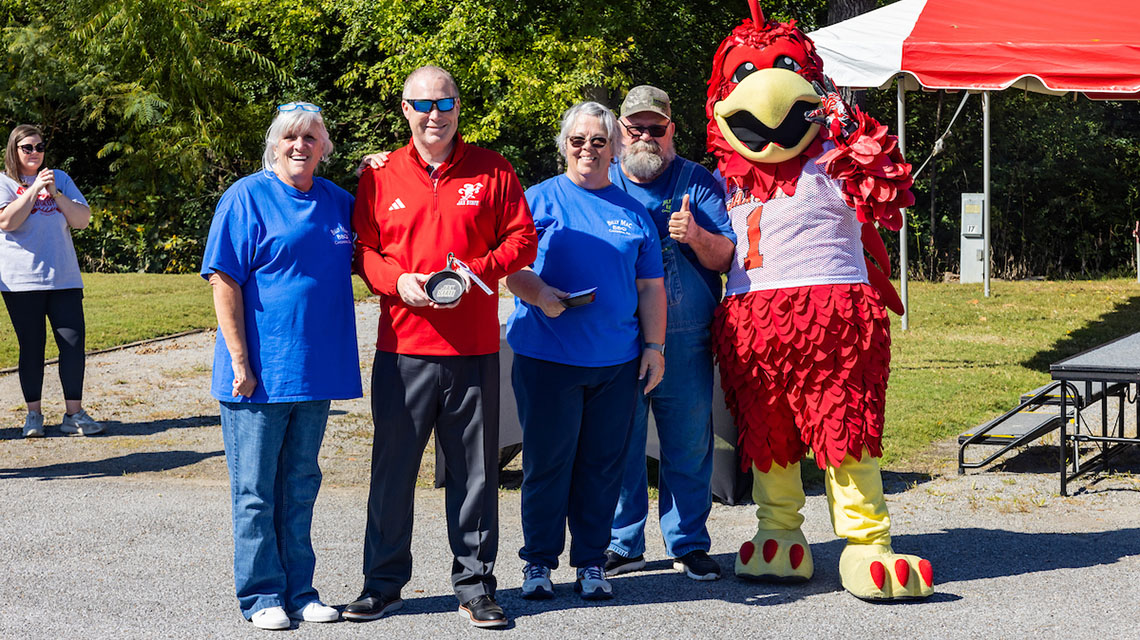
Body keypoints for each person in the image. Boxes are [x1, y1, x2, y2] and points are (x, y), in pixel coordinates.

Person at [346, 65, 536, 629]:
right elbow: (363, 249)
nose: (435, 114)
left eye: (445, 103)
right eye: (423, 104)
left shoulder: (492, 168)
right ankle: (382, 585)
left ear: (458, 107)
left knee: (475, 474)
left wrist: (476, 272)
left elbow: (522, 238)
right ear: (405, 109)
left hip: (474, 349)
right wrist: (394, 281)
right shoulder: (379, 176)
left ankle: (475, 586)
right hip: (403, 349)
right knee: (393, 471)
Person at [200, 102, 362, 630]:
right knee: (254, 492)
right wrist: (241, 360)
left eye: (311, 138)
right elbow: (223, 280)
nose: (300, 145)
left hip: (315, 373)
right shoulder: (246, 197)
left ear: (325, 148)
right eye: (290, 137)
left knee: (300, 484)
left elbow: (387, 235)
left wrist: (381, 168)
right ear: (274, 144)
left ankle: (301, 590)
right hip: (259, 375)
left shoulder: (339, 202)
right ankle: (260, 595)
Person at [505, 100, 667, 601]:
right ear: (564, 147)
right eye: (578, 141)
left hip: (615, 364)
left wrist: (654, 347)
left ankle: (591, 563)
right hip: (546, 358)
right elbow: (509, 267)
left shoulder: (635, 212)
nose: (589, 150)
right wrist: (539, 295)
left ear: (616, 148)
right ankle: (537, 564)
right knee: (547, 464)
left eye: (599, 141)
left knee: (602, 466)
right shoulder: (537, 200)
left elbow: (650, 289)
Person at [604, 86, 736, 580]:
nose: (645, 136)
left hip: (686, 338)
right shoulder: (602, 180)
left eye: (655, 128)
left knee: (688, 443)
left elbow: (727, 257)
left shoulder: (698, 181)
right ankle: (623, 542)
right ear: (620, 130)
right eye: (635, 127)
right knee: (621, 441)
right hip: (619, 335)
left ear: (671, 131)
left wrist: (696, 235)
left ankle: (688, 542)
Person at [0, 124, 101, 438]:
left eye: (40, 147)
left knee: (72, 345)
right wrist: (33, 190)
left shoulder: (60, 179)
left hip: (64, 278)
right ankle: (34, 416)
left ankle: (74, 414)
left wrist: (54, 193)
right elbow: (7, 221)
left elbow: (82, 220)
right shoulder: (3, 182)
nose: (35, 153)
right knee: (32, 347)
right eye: (27, 147)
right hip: (21, 281)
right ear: (14, 151)